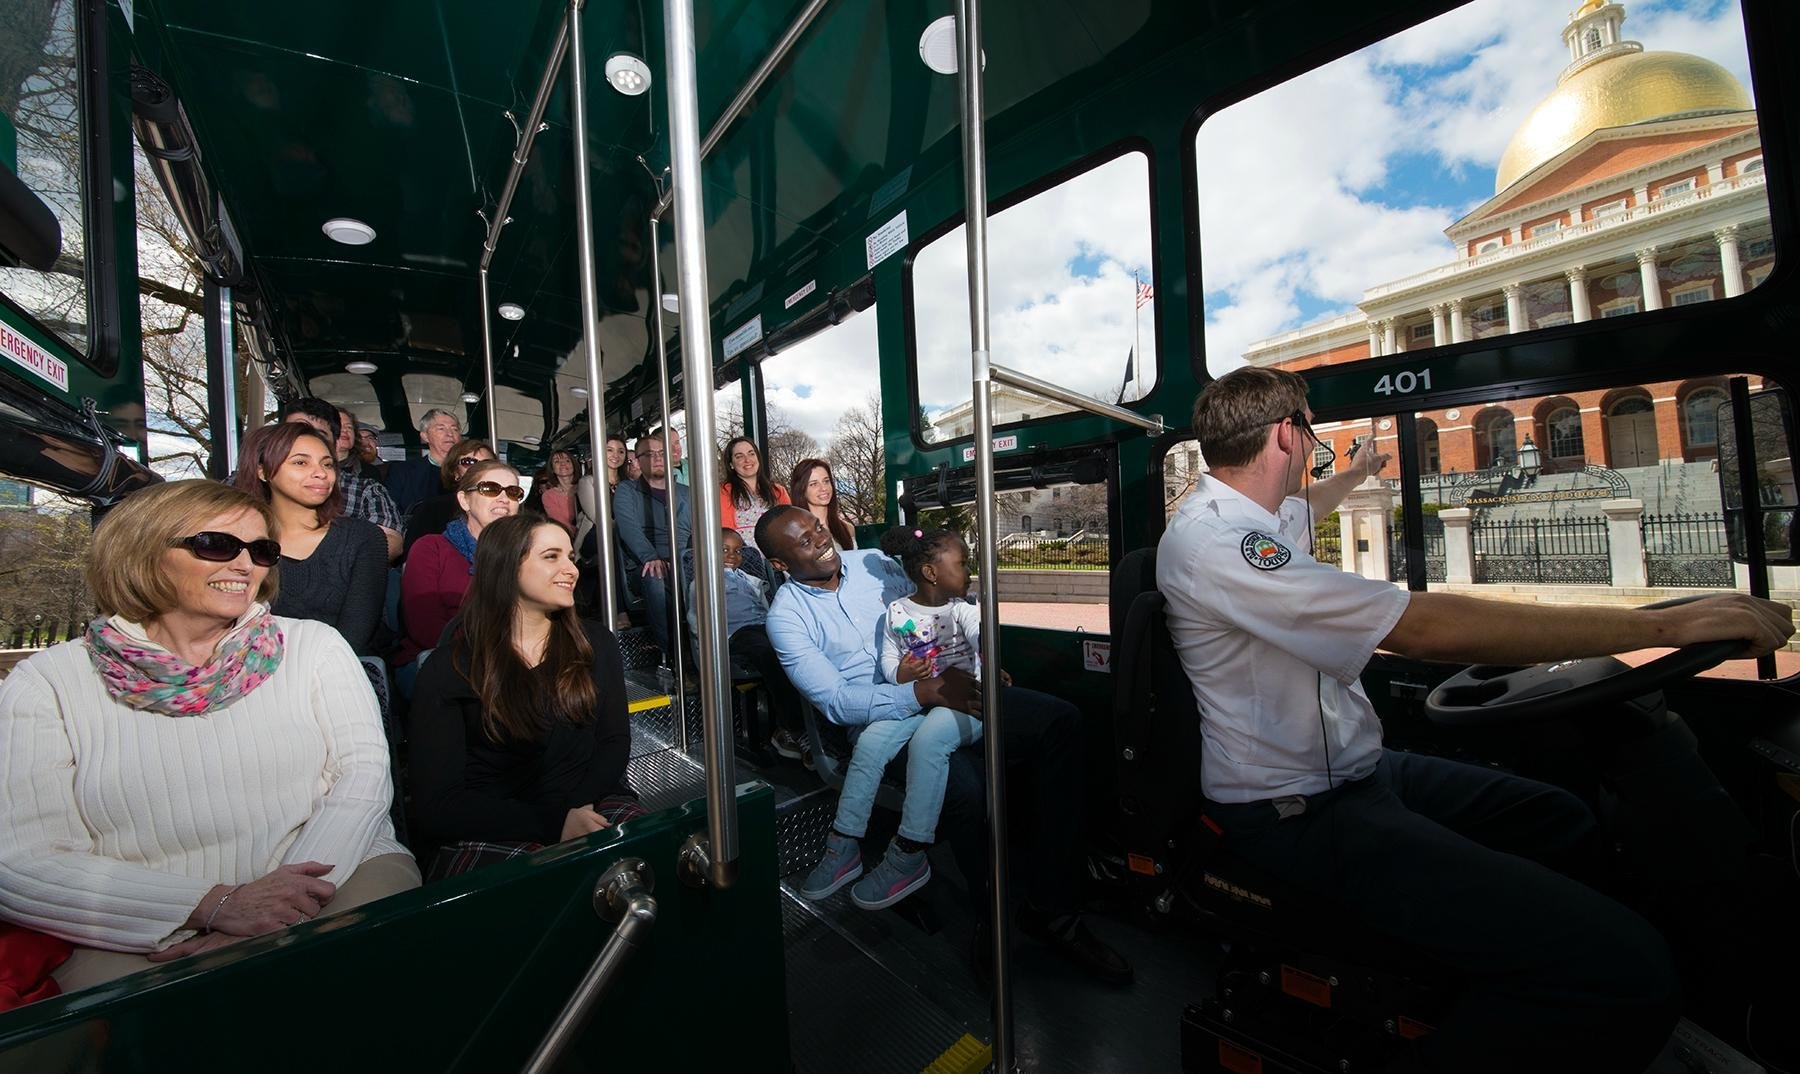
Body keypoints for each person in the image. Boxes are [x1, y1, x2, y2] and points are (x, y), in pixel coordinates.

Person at [1159, 366, 1795, 1074]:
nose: (1314, 452)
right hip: (1292, 810)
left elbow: (1304, 510)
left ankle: (1493, 976)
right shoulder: (1219, 543)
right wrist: (1661, 624)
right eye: (1310, 435)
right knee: (1625, 969)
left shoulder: (1255, 518)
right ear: (1288, 433)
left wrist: (1359, 471)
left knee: (1558, 819)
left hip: (1361, 773)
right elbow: (1422, 629)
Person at [0, 480, 416, 990]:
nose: (245, 565)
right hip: (145, 920)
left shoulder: (314, 647)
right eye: (216, 545)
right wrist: (215, 905)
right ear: (143, 553)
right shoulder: (48, 682)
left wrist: (284, 904)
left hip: (336, 873)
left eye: (261, 550)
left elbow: (363, 778)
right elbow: (20, 858)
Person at [758, 505, 1131, 983]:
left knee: (1061, 722)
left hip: (947, 688)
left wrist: (970, 665)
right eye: (805, 542)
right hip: (883, 721)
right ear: (780, 565)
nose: (821, 539)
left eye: (817, 528)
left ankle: (1052, 906)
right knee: (965, 787)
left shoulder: (876, 564)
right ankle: (989, 920)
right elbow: (835, 701)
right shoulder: (786, 619)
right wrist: (918, 692)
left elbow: (932, 616)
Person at [408, 514, 641, 878]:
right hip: (496, 824)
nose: (571, 569)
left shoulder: (596, 643)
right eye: (551, 556)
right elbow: (438, 804)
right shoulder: (449, 669)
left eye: (570, 557)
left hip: (589, 800)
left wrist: (573, 812)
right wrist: (553, 823)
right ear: (506, 566)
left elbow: (613, 742)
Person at [801, 525, 985, 910]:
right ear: (931, 573)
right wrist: (903, 673)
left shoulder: (964, 611)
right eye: (963, 563)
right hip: (918, 698)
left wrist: (988, 669)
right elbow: (888, 661)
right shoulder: (897, 612)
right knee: (869, 743)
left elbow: (983, 639)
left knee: (930, 741)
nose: (969, 571)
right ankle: (844, 841)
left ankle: (910, 848)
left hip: (961, 702)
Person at [232, 423, 388, 656]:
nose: (321, 473)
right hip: (248, 670)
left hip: (335, 671)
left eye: (327, 464)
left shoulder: (363, 538)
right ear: (262, 471)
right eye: (300, 462)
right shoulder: (234, 544)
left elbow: (354, 637)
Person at [686, 528, 806, 760]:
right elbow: (696, 619)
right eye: (724, 550)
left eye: (738, 551)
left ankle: (815, 723)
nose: (733, 555)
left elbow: (766, 607)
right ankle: (794, 729)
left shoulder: (749, 580)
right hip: (736, 634)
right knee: (769, 653)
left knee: (797, 644)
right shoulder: (703, 582)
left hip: (764, 626)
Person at [399, 460, 523, 666]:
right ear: (464, 501)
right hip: (443, 658)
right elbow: (424, 626)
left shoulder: (527, 553)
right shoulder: (431, 548)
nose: (503, 498)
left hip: (514, 660)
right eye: (490, 489)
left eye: (513, 492)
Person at [613, 436, 692, 659]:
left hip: (682, 559)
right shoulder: (627, 491)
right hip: (644, 564)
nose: (657, 458)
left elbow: (694, 531)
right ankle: (676, 658)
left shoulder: (686, 493)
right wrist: (650, 557)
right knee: (656, 577)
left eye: (661, 453)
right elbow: (629, 529)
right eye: (649, 454)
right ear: (638, 461)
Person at [327, 407, 403, 560]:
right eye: (339, 426)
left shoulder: (367, 482)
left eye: (349, 427)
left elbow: (391, 540)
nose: (345, 431)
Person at [403, 438, 495, 555]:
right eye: (468, 462)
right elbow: (413, 557)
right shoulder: (432, 509)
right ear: (455, 472)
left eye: (486, 464)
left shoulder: (508, 505)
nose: (478, 469)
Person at [385, 407, 463, 517]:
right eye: (441, 429)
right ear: (425, 436)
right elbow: (390, 512)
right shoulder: (402, 471)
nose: (450, 434)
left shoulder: (469, 470)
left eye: (454, 429)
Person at [719, 436, 791, 551]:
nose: (747, 460)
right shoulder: (724, 492)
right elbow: (727, 531)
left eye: (751, 454)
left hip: (777, 556)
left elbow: (789, 526)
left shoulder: (778, 491)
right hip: (743, 558)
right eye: (739, 456)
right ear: (731, 464)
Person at [790, 458, 856, 551]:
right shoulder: (796, 533)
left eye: (826, 481)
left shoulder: (847, 528)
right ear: (801, 490)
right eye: (814, 484)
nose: (823, 488)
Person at [526, 450, 580, 537]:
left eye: (567, 460)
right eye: (557, 461)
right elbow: (561, 523)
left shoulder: (585, 487)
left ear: (574, 465)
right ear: (552, 469)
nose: (562, 464)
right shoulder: (549, 496)